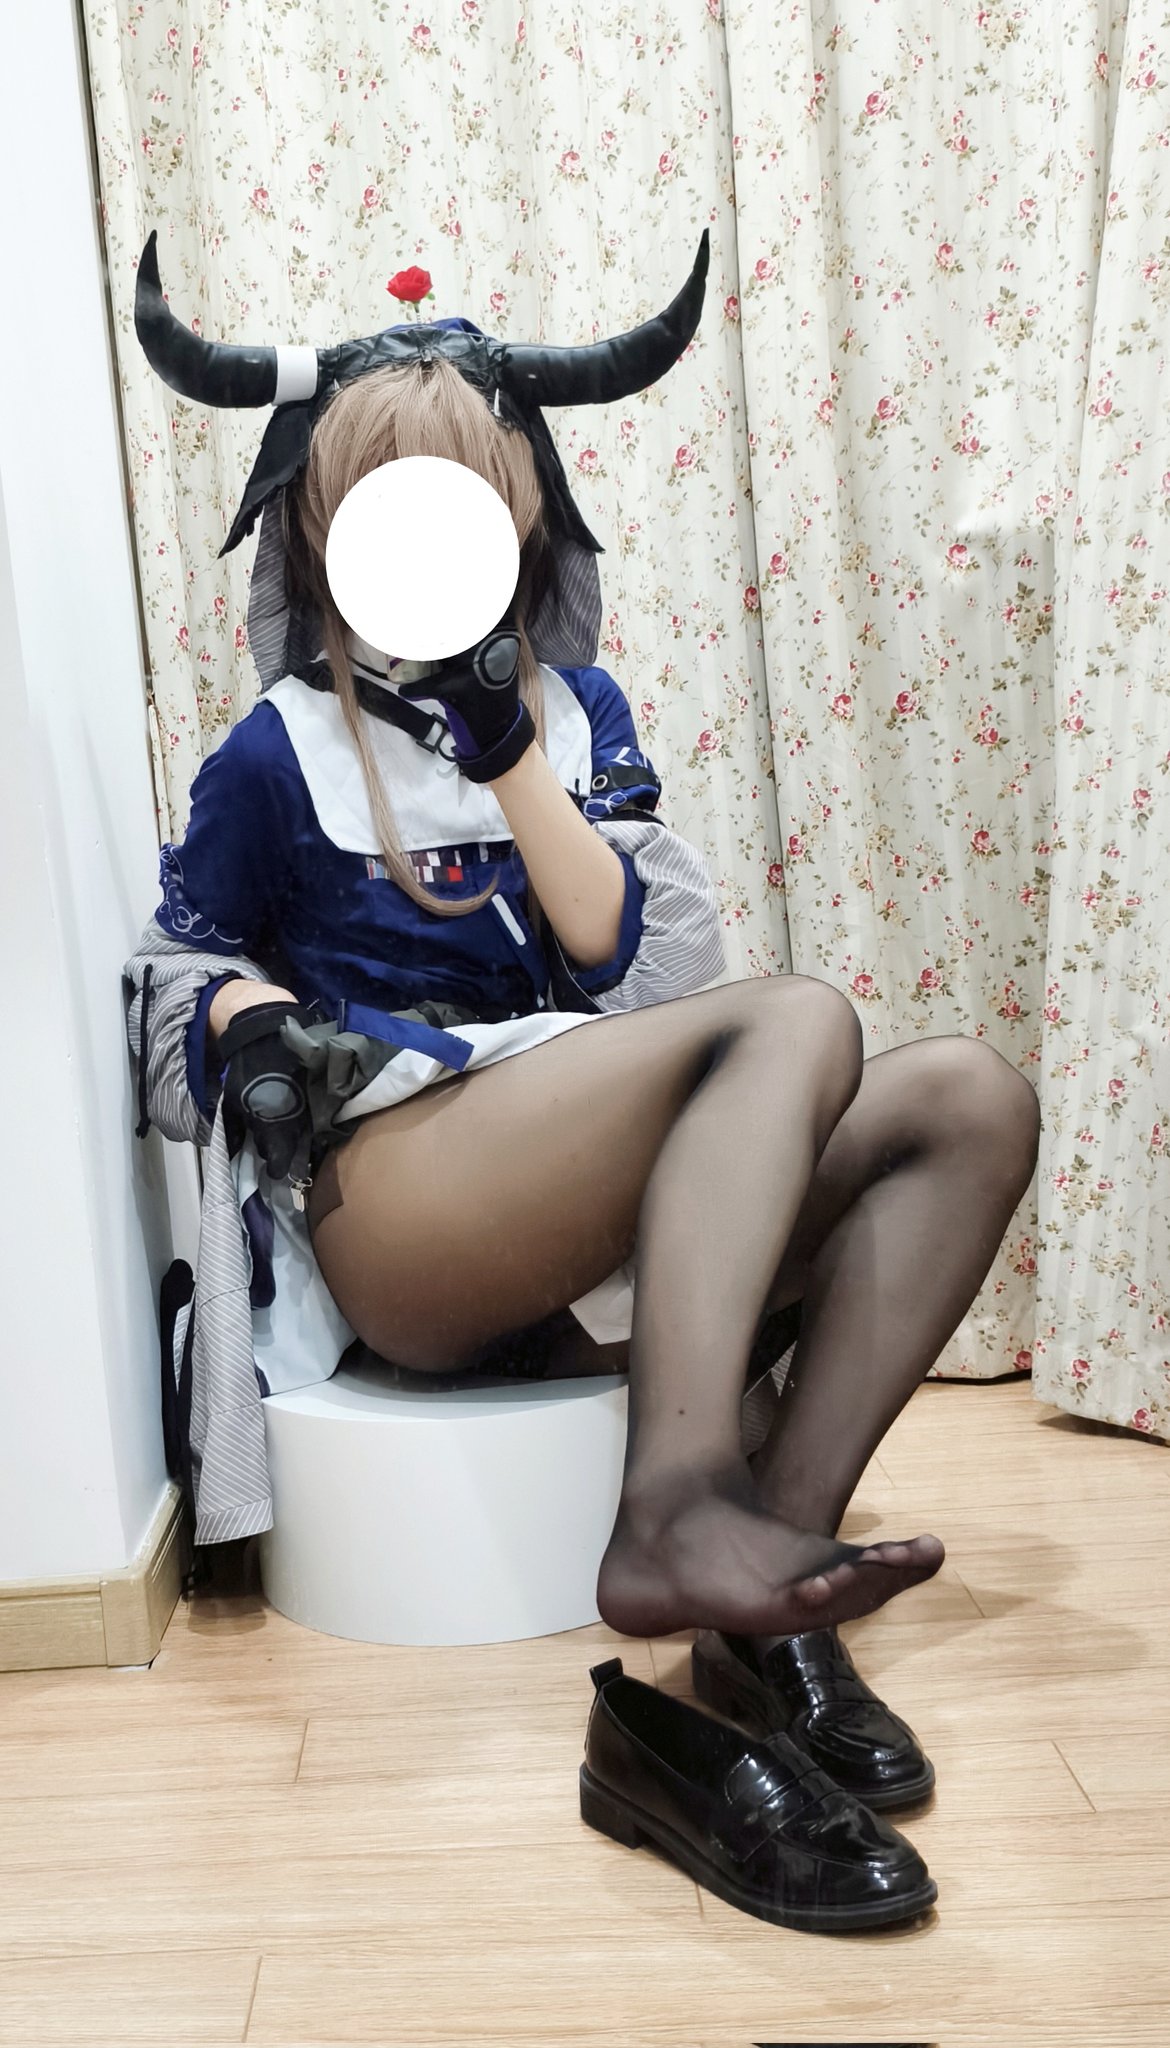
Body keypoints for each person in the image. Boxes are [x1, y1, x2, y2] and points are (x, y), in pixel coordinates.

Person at [124, 230, 1040, 1806]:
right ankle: (673, 1505)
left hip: (571, 1169)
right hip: (405, 1206)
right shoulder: (274, 751)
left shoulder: (568, 715)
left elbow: (623, 959)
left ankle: (764, 1596)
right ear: (322, 526)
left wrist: (504, 751)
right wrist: (254, 1020)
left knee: (967, 1097)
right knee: (794, 1021)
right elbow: (171, 970)